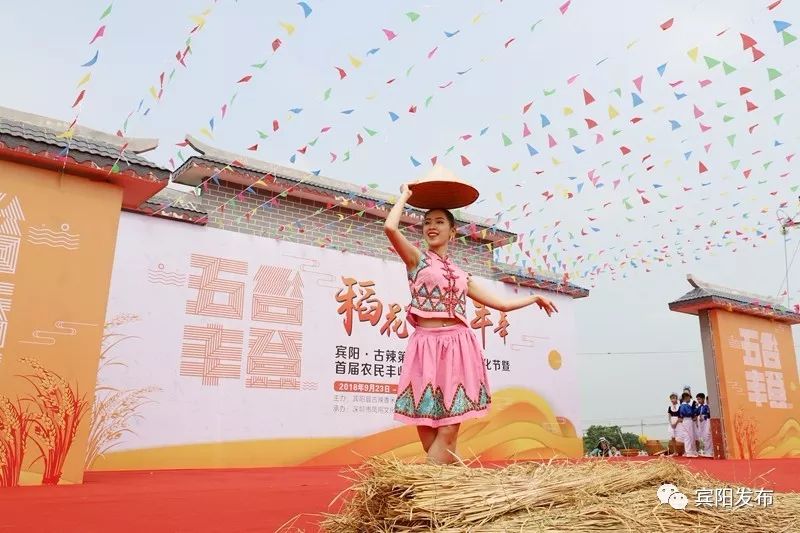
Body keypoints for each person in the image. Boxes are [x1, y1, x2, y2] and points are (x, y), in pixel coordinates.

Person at [384, 183, 558, 464]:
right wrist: (404, 195)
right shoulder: (416, 259)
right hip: (425, 346)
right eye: (427, 222)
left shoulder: (461, 275)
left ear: (452, 232)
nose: (431, 226)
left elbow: (500, 304)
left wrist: (534, 297)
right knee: (428, 425)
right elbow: (391, 229)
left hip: (458, 345)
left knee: (450, 428)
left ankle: (429, 490)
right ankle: (442, 491)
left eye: (439, 222)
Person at [676, 392, 698, 457]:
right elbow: (690, 412)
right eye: (689, 397)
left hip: (687, 420)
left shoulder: (684, 405)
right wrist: (695, 410)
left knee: (689, 436)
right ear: (686, 398)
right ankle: (689, 452)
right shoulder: (684, 405)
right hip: (687, 420)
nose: (690, 399)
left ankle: (691, 451)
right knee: (688, 436)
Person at [695, 393, 713, 457]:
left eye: (699, 399)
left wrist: (704, 417)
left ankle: (709, 451)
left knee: (707, 435)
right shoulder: (699, 407)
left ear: (703, 398)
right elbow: (696, 413)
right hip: (701, 423)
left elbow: (709, 414)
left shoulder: (707, 406)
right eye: (697, 399)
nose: (698, 401)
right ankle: (706, 450)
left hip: (706, 422)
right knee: (702, 436)